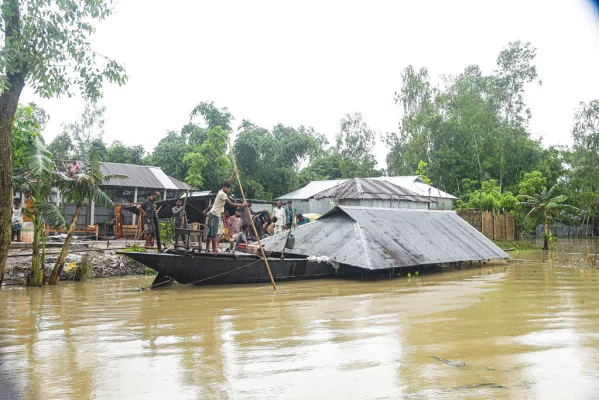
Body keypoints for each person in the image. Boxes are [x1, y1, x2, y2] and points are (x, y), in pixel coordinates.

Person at [206, 169, 247, 253]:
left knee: (210, 233)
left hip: (212, 214)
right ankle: (214, 249)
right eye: (228, 188)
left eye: (229, 188)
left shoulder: (221, 191)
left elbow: (229, 182)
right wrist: (243, 205)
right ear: (224, 188)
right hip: (214, 215)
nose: (229, 189)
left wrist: (234, 174)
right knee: (213, 233)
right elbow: (231, 204)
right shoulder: (222, 194)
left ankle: (207, 249)